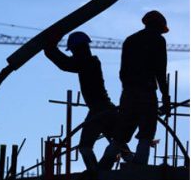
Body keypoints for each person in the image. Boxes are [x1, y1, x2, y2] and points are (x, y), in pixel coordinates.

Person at [44, 31, 128, 172]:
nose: (73, 54)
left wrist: (50, 49)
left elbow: (65, 64)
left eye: (74, 50)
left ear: (78, 49)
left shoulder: (89, 62)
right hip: (107, 110)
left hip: (99, 110)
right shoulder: (89, 62)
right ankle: (125, 167)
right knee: (118, 143)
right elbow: (67, 63)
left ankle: (96, 172)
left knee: (85, 147)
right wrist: (50, 49)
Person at [98, 10, 171, 170]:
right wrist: (166, 97)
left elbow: (122, 73)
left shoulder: (130, 41)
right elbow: (160, 71)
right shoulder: (158, 41)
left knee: (121, 132)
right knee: (146, 132)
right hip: (146, 92)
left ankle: (104, 166)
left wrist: (129, 92)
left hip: (129, 93)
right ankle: (139, 168)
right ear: (158, 26)